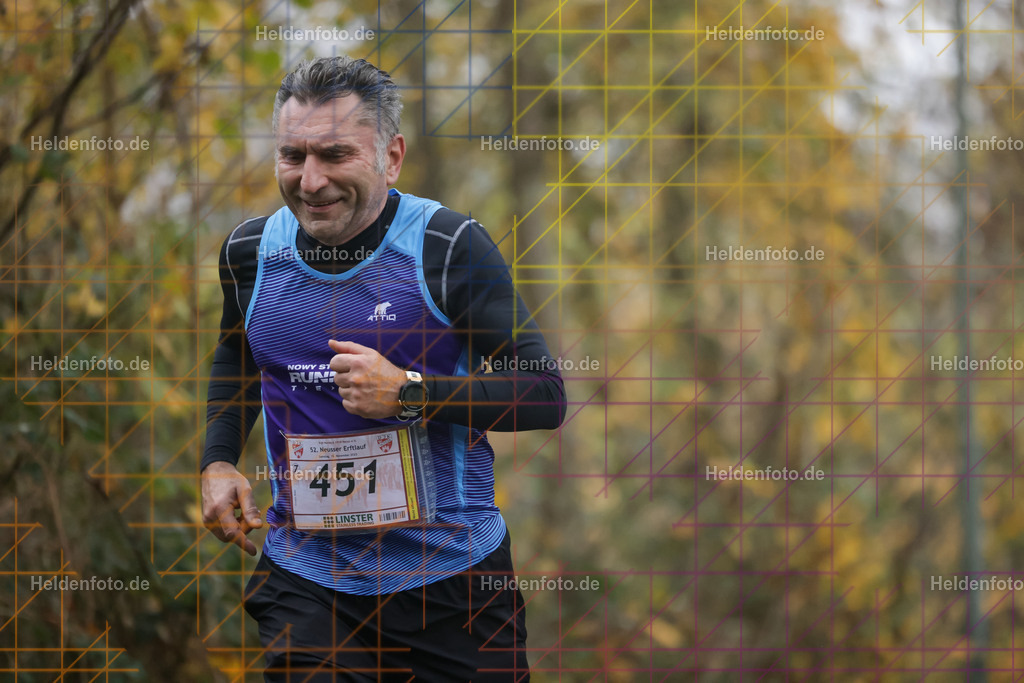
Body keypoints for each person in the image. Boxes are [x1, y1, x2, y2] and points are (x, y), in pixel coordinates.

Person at [200, 55, 566, 682]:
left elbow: (542, 394)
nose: (310, 181)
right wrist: (219, 458)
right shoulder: (251, 253)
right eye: (293, 156)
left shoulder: (447, 248)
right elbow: (238, 353)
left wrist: (411, 392)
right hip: (308, 575)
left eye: (335, 155)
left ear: (391, 157)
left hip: (450, 581)